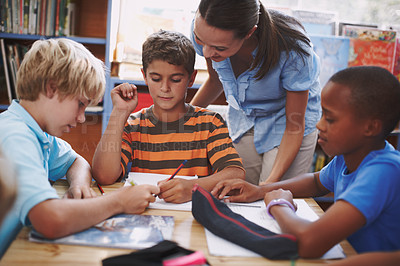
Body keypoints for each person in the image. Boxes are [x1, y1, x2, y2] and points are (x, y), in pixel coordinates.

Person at [211, 66, 400, 258]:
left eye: (330, 119)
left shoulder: (383, 171)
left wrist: (278, 204)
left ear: (370, 127)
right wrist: (260, 190)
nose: (319, 124)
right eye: (322, 115)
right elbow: (316, 182)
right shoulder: (349, 156)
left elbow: (309, 243)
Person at [0, 38, 159, 257]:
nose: (82, 118)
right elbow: (50, 220)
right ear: (51, 88)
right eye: (81, 104)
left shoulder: (38, 132)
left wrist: (79, 185)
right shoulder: (15, 136)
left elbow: (77, 161)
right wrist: (119, 202)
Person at [92, 30, 245, 204]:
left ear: (191, 78)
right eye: (156, 79)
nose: (165, 88)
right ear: (145, 76)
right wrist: (119, 113)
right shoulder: (132, 124)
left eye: (176, 79)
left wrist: (193, 187)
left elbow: (235, 172)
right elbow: (103, 176)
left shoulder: (210, 123)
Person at [190, 0, 321, 185]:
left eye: (220, 48)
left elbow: (294, 127)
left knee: (271, 195)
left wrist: (268, 185)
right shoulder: (206, 29)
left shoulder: (293, 49)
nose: (207, 52)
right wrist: (183, 121)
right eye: (200, 40)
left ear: (250, 32)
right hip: (245, 117)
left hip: (289, 123)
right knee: (236, 186)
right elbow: (214, 80)